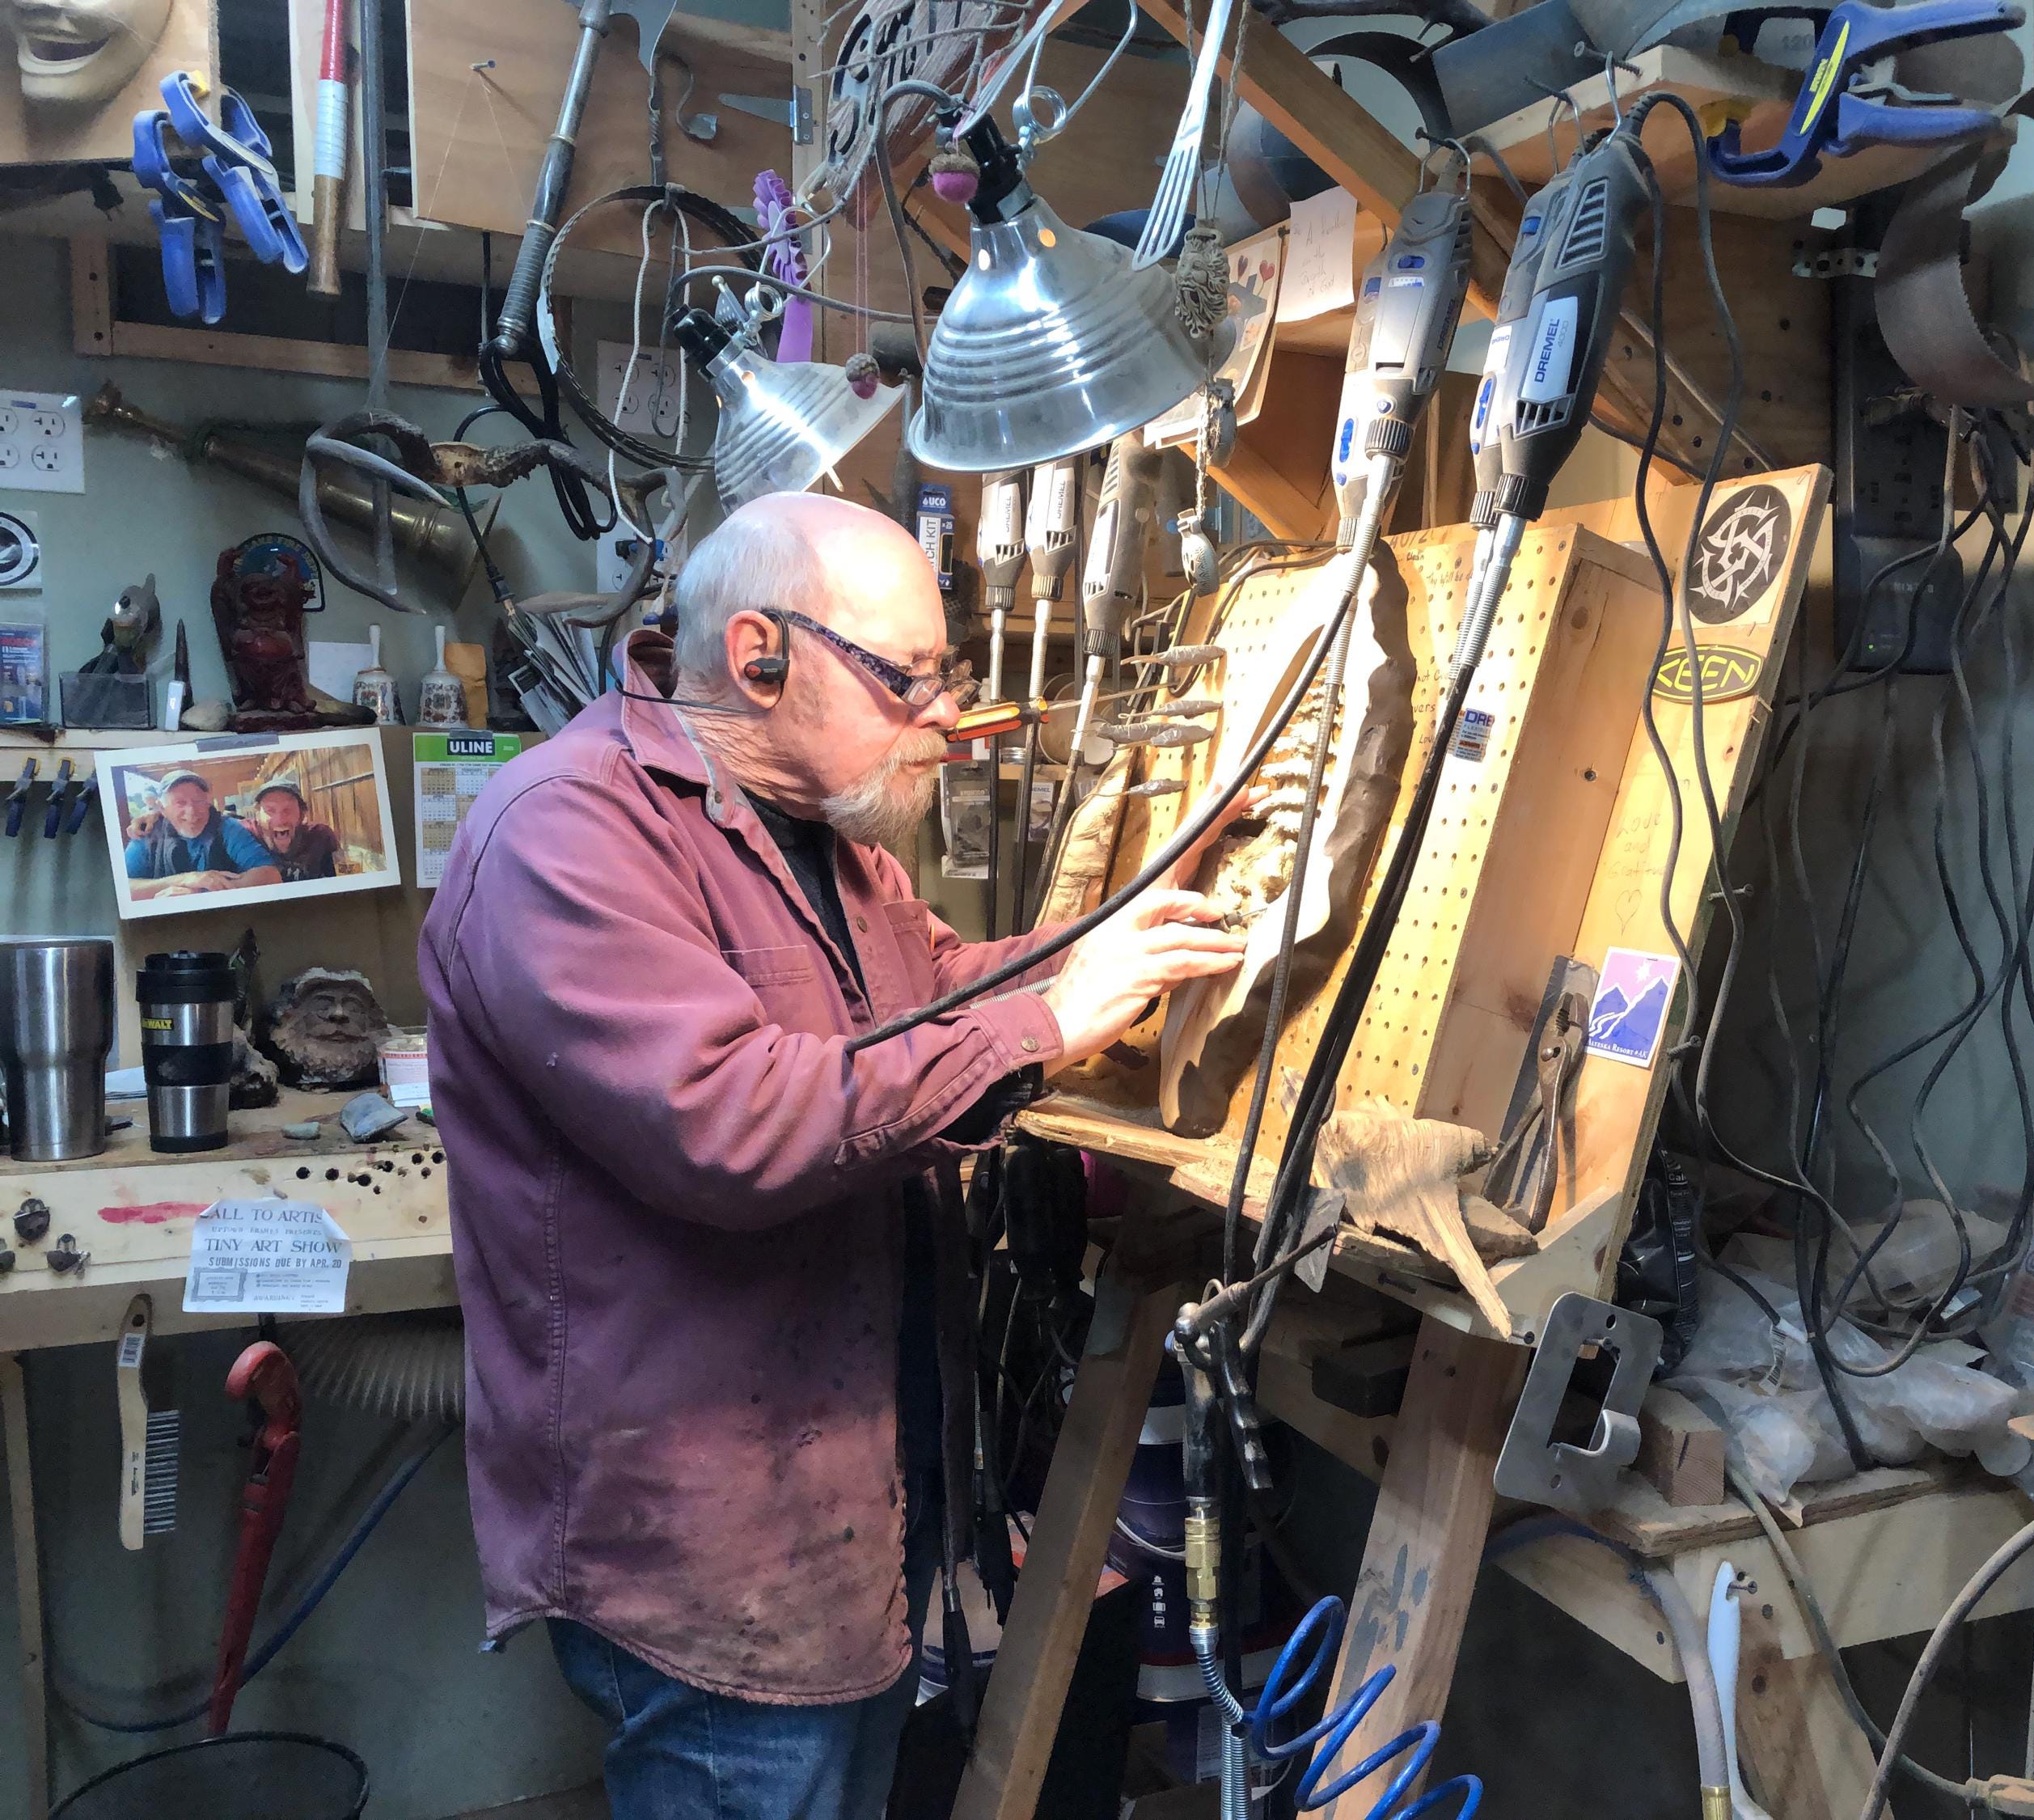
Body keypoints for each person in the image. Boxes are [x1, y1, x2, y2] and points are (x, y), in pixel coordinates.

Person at [421, 493, 1245, 1820]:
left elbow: (940, 989)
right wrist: (1048, 1024)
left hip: (850, 1505)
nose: (946, 717)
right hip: (706, 1548)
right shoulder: (567, 832)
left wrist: (1112, 940)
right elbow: (732, 1122)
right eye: (909, 679)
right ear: (760, 656)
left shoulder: (824, 834)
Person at [124, 769, 279, 899]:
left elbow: (270, 875)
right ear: (162, 808)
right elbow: (122, 889)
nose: (191, 812)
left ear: (208, 802)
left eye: (198, 801)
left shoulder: (227, 828)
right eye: (180, 803)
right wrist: (185, 880)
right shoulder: (148, 833)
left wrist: (200, 895)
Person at [244, 777, 343, 881]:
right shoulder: (244, 836)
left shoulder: (321, 837)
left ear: (302, 814)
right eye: (270, 810)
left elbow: (340, 882)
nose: (280, 820)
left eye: (288, 810)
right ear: (258, 816)